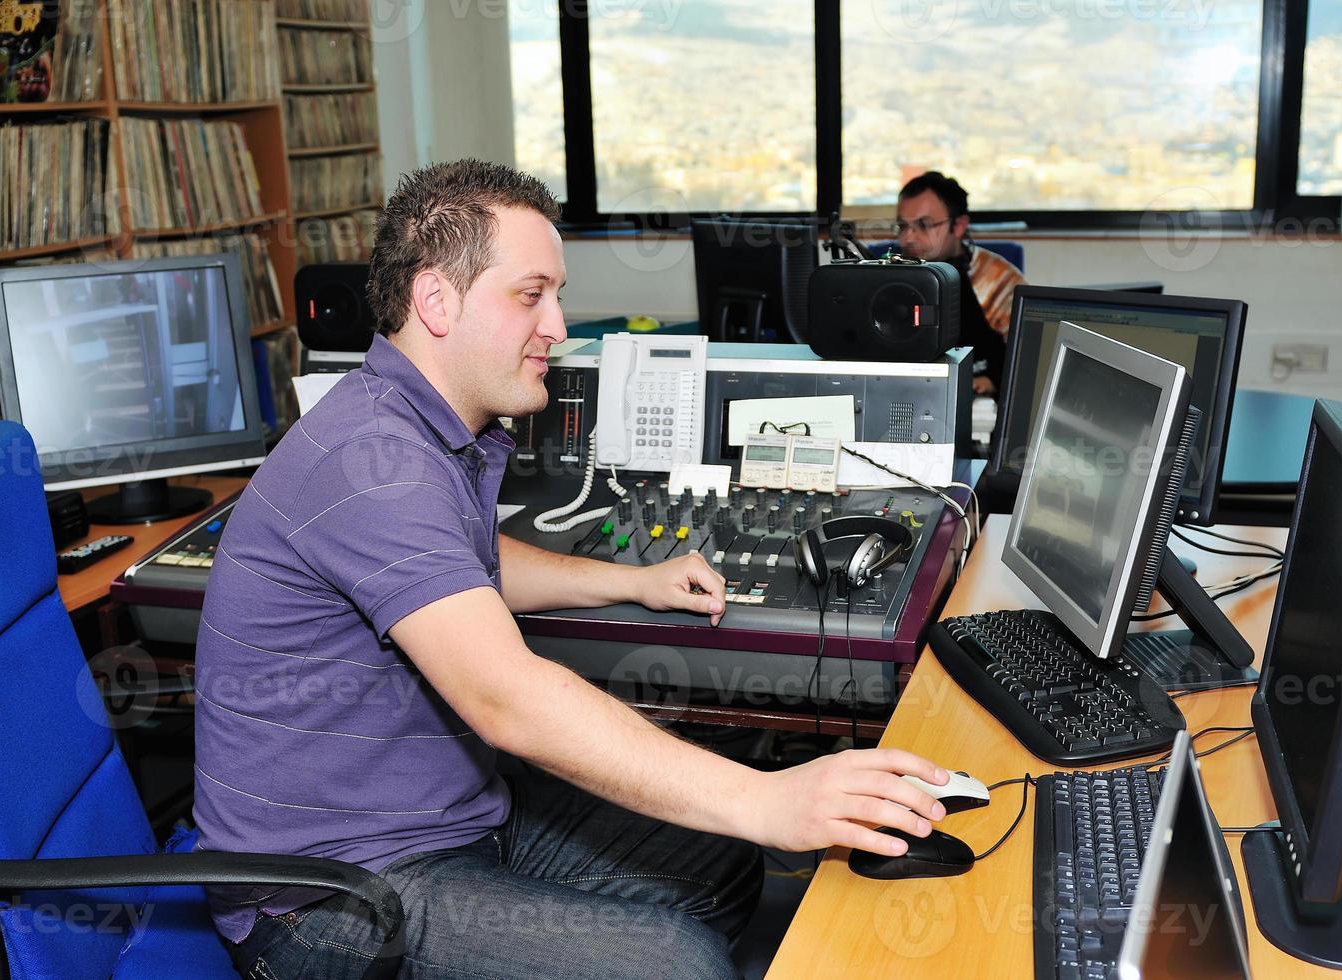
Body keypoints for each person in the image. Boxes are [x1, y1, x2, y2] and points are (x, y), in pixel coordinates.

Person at [193, 159, 952, 980]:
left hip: (451, 821)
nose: (558, 324)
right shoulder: (373, 460)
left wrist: (629, 579)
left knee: (724, 863)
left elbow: (466, 563)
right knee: (679, 964)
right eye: (531, 294)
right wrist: (771, 798)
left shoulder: (418, 423)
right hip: (328, 898)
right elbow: (507, 701)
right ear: (436, 301)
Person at [894, 171, 1025, 396]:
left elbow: (1027, 355)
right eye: (902, 226)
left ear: (959, 226)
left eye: (923, 225)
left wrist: (994, 379)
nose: (908, 238)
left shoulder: (997, 279)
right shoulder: (888, 276)